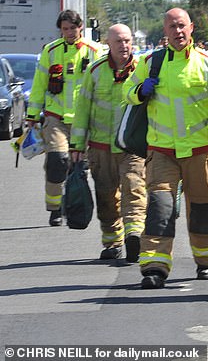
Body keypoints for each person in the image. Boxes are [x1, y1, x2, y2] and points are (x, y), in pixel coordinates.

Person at [123, 8, 208, 289]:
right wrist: (139, 91)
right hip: (161, 151)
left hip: (200, 151)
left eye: (182, 25)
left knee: (203, 210)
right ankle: (155, 266)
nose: (178, 31)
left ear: (192, 28)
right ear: (165, 31)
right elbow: (126, 90)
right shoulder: (151, 62)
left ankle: (205, 260)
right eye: (172, 27)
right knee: (160, 208)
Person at [69, 24, 147, 262]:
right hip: (101, 147)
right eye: (118, 42)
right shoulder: (95, 71)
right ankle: (112, 241)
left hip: (132, 146)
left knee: (134, 189)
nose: (124, 46)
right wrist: (77, 145)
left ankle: (135, 235)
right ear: (108, 44)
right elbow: (82, 110)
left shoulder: (143, 69)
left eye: (127, 41)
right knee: (106, 196)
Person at [25, 9, 103, 226]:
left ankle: (76, 204)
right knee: (57, 161)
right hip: (56, 117)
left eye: (73, 28)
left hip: (84, 120)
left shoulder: (95, 51)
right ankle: (54, 206)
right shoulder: (51, 51)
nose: (69, 33)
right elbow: (39, 84)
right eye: (64, 29)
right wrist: (32, 115)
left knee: (79, 166)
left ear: (80, 27)